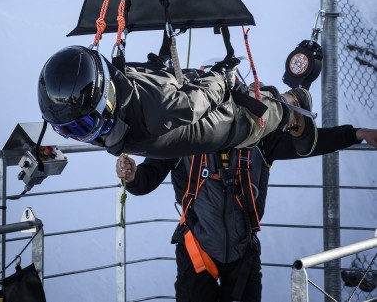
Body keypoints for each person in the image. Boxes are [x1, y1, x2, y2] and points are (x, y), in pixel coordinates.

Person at [116, 126, 377, 302]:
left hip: (244, 251)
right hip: (197, 250)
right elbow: (147, 179)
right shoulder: (183, 138)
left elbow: (309, 143)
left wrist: (356, 134)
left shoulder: (261, 139)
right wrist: (133, 175)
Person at [37, 45, 318, 159]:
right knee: (269, 113)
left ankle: (291, 103)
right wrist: (220, 75)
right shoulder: (154, 110)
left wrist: (159, 70)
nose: (86, 135)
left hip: (197, 100)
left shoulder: (119, 94)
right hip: (230, 121)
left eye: (84, 124)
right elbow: (201, 100)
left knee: (252, 98)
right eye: (71, 131)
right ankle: (293, 112)